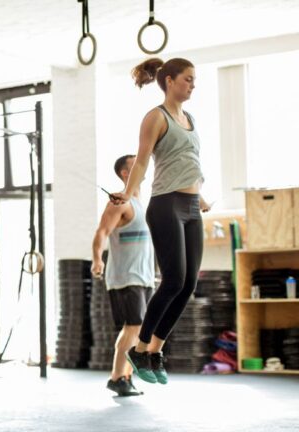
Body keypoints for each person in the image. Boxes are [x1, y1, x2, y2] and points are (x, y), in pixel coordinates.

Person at [111, 58, 211, 385]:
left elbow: (189, 161)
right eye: (187, 79)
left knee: (188, 284)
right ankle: (139, 349)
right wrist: (128, 193)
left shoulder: (190, 119)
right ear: (169, 80)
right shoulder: (156, 117)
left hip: (191, 205)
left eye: (194, 79)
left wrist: (200, 197)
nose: (193, 84)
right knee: (172, 281)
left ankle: (155, 350)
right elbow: (141, 162)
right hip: (166, 204)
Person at [92, 155, 156, 397]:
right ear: (125, 173)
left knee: (136, 329)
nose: (143, 166)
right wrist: (97, 259)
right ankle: (118, 377)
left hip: (144, 277)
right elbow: (101, 232)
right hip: (126, 277)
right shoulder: (119, 203)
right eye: (135, 164)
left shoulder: (140, 204)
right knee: (134, 327)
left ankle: (123, 377)